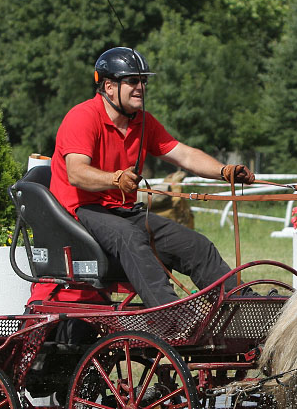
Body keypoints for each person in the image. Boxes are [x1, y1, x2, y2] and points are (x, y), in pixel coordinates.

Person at [47, 46, 255, 307]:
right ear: (109, 86)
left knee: (196, 244)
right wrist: (115, 179)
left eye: (143, 81)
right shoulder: (82, 117)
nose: (141, 87)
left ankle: (239, 306)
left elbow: (184, 156)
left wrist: (224, 171)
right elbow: (77, 173)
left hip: (123, 211)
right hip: (80, 211)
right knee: (130, 236)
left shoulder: (143, 122)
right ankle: (168, 314)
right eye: (132, 80)